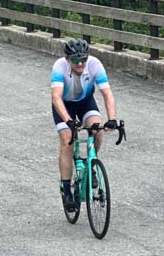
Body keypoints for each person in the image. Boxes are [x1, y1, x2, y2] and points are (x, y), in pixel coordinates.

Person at [51, 38, 119, 210]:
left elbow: (107, 94)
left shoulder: (95, 64)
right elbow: (56, 97)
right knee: (68, 140)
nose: (80, 63)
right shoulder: (59, 67)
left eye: (83, 59)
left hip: (84, 102)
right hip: (64, 105)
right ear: (68, 59)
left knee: (97, 130)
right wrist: (68, 121)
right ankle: (66, 189)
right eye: (75, 60)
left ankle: (91, 164)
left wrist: (112, 119)